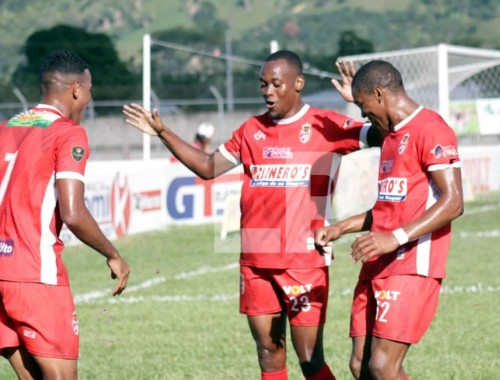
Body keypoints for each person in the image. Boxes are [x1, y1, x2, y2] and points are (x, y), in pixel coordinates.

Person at [124, 50, 380, 380]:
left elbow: (387, 134)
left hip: (303, 260)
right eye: (263, 84)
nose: (267, 91)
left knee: (309, 359)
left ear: (298, 83)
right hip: (256, 260)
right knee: (268, 355)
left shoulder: (326, 124)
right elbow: (207, 167)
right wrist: (163, 132)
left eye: (276, 84)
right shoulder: (251, 130)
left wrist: (359, 104)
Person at [314, 60, 464, 380]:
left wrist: (393, 238)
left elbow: (453, 202)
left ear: (380, 93)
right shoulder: (392, 138)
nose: (364, 115)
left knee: (384, 367)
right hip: (377, 263)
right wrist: (340, 227)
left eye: (365, 107)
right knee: (360, 366)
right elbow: (387, 209)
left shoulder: (431, 128)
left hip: (411, 263)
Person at [0, 50, 130, 379]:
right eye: (89, 89)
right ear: (75, 88)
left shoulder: (6, 128)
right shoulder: (67, 132)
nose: (89, 97)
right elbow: (72, 212)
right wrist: (113, 254)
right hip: (34, 273)